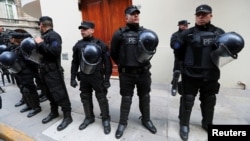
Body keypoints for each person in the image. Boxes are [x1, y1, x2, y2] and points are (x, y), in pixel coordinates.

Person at [174, 4, 226, 141]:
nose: (201, 17)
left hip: (211, 75)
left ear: (211, 15)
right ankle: (184, 124)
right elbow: (178, 52)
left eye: (204, 14)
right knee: (187, 100)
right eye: (198, 15)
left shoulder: (219, 33)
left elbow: (227, 51)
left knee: (209, 101)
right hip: (191, 75)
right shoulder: (187, 34)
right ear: (195, 16)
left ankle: (207, 123)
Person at [110, 5, 158, 139]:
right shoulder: (119, 33)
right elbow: (113, 52)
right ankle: (122, 123)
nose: (136, 15)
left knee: (145, 97)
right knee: (126, 98)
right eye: (132, 14)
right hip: (127, 74)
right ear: (126, 18)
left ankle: (146, 120)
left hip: (143, 73)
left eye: (137, 14)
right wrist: (124, 64)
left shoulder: (146, 33)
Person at [70, 21, 112, 134]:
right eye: (81, 29)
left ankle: (106, 119)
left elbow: (108, 63)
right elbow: (75, 62)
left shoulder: (101, 45)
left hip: (97, 76)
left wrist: (107, 79)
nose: (82, 31)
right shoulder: (78, 45)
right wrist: (72, 77)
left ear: (92, 30)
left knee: (102, 98)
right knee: (85, 97)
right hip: (83, 76)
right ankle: (89, 117)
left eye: (85, 29)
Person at [34, 16, 72, 131]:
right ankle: (54, 112)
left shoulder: (54, 36)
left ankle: (67, 116)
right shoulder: (43, 36)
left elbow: (55, 52)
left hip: (53, 72)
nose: (39, 27)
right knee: (48, 93)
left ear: (42, 25)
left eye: (39, 25)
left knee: (59, 93)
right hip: (43, 70)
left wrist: (40, 44)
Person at [170, 20, 190, 96]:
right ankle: (174, 87)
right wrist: (182, 38)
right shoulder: (175, 35)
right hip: (179, 56)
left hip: (188, 57)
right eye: (184, 25)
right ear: (179, 26)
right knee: (177, 72)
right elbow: (174, 46)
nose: (185, 27)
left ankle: (183, 87)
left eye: (186, 25)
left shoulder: (190, 34)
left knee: (187, 73)